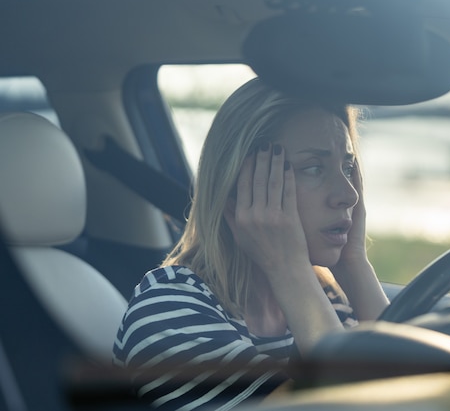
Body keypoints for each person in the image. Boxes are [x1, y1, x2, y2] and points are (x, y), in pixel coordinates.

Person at [113, 77, 389, 410]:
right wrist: (288, 268)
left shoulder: (328, 300)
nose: (349, 194)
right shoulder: (167, 309)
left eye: (347, 167)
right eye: (314, 168)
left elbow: (423, 393)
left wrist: (355, 262)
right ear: (239, 191)